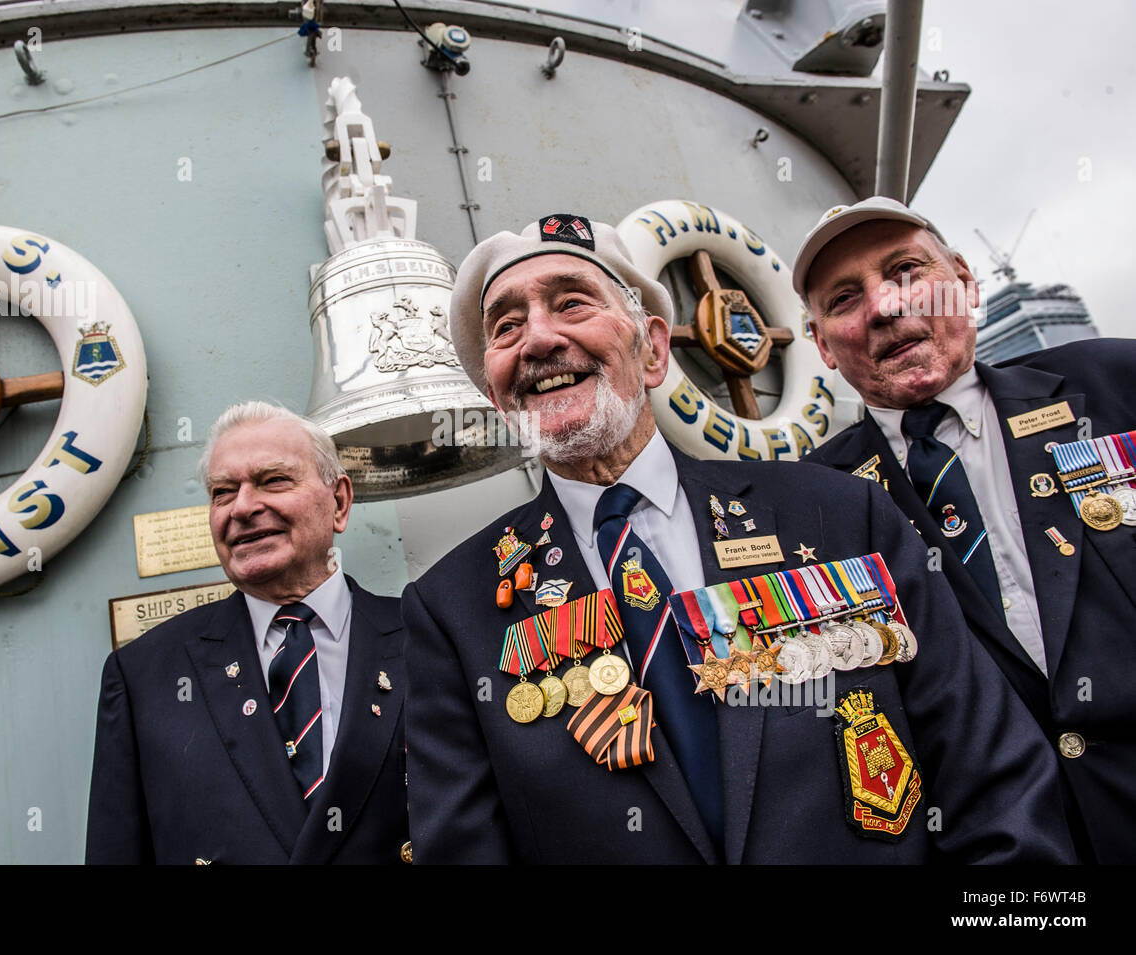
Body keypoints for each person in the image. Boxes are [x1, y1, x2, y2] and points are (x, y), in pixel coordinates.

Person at [401, 212, 1076, 864]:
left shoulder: (839, 514)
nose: (539, 340)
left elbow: (993, 781)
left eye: (573, 304)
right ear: (496, 395)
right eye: (507, 327)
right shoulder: (452, 611)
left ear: (655, 349)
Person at [796, 196, 1136, 863]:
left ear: (966, 281)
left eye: (905, 271)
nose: (885, 307)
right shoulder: (810, 507)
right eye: (843, 299)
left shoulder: (1117, 384)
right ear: (822, 346)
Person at [86, 402, 409, 864]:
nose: (242, 507)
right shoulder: (144, 676)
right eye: (222, 491)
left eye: (273, 480)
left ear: (338, 502)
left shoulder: (425, 638)